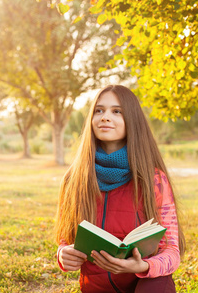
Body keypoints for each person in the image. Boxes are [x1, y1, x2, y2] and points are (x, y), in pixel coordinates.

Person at [55, 85, 185, 293]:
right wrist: (63, 255)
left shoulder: (154, 180)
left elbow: (172, 252)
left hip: (147, 284)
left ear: (132, 120)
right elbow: (65, 241)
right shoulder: (74, 179)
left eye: (117, 111)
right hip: (96, 287)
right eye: (99, 110)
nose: (105, 117)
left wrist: (144, 266)